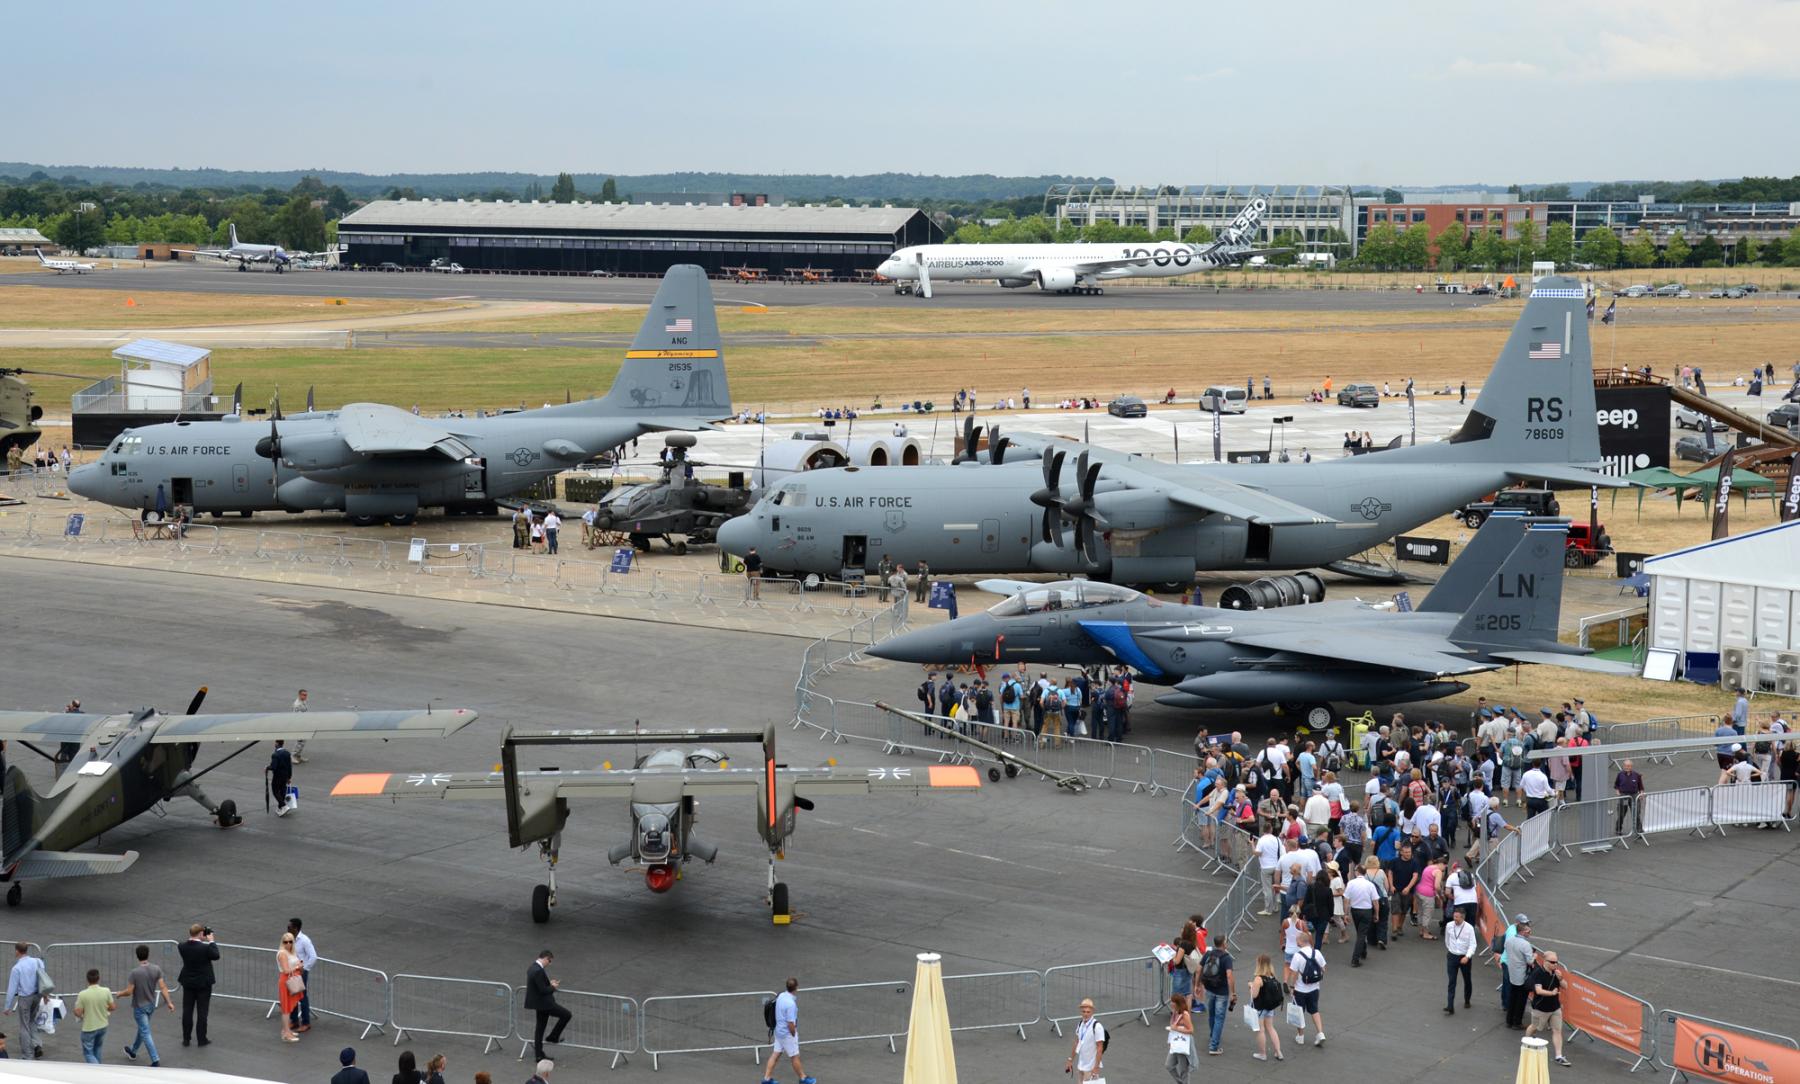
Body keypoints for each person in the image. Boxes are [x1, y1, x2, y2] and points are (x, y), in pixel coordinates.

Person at [118, 942, 174, 1066]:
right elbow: (163, 987)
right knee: (143, 1029)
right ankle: (133, 1051)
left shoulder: (135, 973)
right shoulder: (156, 969)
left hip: (140, 1006)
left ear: (137, 956)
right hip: (151, 1005)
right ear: (148, 955)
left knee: (145, 1032)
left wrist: (119, 994)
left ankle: (155, 1060)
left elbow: (129, 991)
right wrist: (169, 1002)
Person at [761, 976, 811, 1084]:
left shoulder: (781, 996)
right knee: (794, 1056)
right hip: (787, 1034)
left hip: (778, 1032)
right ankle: (803, 1078)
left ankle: (766, 1078)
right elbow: (790, 1023)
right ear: (796, 988)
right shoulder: (791, 1004)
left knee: (775, 1054)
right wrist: (793, 1034)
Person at [525, 950, 570, 1063]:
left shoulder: (532, 968)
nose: (549, 963)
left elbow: (539, 985)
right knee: (566, 1015)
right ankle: (553, 1037)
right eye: (549, 961)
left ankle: (539, 1055)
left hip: (539, 1004)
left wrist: (549, 983)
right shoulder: (538, 971)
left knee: (539, 1029)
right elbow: (543, 990)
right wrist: (553, 986)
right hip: (545, 1004)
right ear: (545, 958)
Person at [1527, 952, 1573, 1066]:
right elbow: (1538, 991)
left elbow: (1565, 986)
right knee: (1534, 1027)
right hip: (1541, 1008)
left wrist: (1561, 978)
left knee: (1557, 1030)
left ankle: (1559, 1056)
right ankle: (1526, 1042)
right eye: (1552, 962)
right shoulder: (1538, 973)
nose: (1555, 964)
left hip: (1555, 1007)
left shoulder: (1556, 973)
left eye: (1556, 962)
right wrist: (1551, 993)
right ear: (1545, 961)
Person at [1284, 929, 1327, 1046]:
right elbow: (1323, 969)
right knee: (1314, 1010)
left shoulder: (1297, 956)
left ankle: (1301, 1036)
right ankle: (1320, 1033)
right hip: (1314, 988)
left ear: (1300, 942)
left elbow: (1293, 973)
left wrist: (1292, 987)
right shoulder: (1317, 953)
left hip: (1300, 989)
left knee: (1299, 1012)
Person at [177, 924, 218, 1047]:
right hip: (203, 983)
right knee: (202, 1012)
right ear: (200, 934)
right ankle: (201, 1039)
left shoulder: (182, 946)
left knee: (187, 1010)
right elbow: (216, 955)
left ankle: (186, 1039)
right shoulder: (205, 948)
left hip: (188, 982)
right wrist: (211, 942)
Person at [7, 942, 48, 1060]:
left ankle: (27, 1054)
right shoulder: (37, 961)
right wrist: (45, 994)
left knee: (24, 1026)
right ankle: (37, 1045)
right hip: (37, 995)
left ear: (17, 951)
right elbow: (43, 978)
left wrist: (7, 1006)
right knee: (32, 1021)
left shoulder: (17, 968)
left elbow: (12, 988)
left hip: (25, 998)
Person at [1197, 933, 1236, 1054]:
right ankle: (1213, 1046)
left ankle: (1213, 1034)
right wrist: (1232, 993)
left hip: (1209, 988)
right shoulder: (1226, 958)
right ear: (1224, 944)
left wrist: (1197, 985)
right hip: (1222, 992)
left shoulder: (1208, 954)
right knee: (1219, 1018)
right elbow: (1229, 976)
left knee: (1212, 1015)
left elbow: (1199, 969)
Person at [1247, 954, 1285, 1062]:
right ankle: (1278, 1051)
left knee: (1261, 1031)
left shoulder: (1259, 979)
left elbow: (1254, 995)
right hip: (1270, 1007)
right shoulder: (1272, 976)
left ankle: (1262, 1053)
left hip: (1260, 1008)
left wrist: (1251, 986)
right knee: (1271, 1028)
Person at [73, 968, 115, 1064]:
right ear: (98, 978)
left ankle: (98, 1070)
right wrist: (103, 1008)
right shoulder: (106, 991)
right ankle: (97, 1068)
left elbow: (78, 1013)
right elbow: (113, 1007)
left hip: (89, 1027)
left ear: (87, 980)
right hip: (103, 1025)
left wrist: (75, 1011)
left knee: (88, 1053)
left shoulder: (82, 994)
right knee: (98, 1048)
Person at [1502, 917, 1535, 1030]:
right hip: (1521, 975)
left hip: (1512, 972)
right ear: (1522, 931)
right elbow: (1530, 961)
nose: (1530, 933)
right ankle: (1517, 1022)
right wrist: (1534, 956)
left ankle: (1509, 1020)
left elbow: (1506, 949)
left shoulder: (1509, 940)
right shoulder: (1525, 945)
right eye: (1528, 931)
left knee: (1512, 997)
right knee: (1521, 1000)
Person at [1443, 906, 1476, 1013]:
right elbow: (1447, 940)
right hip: (1452, 956)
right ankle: (1450, 1005)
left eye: (1457, 917)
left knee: (1467, 980)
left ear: (1463, 918)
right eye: (1454, 917)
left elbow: (1473, 944)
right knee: (1451, 981)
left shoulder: (1469, 928)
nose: (1455, 919)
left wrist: (1467, 956)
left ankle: (1467, 1000)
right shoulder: (1449, 926)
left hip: (1464, 957)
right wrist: (1450, 950)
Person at [1067, 997, 1107, 1081]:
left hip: (1091, 1068)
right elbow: (1077, 1042)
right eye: (1084, 1011)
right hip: (1081, 1065)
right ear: (1081, 1011)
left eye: (1088, 1012)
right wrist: (1070, 1060)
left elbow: (1100, 1048)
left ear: (1092, 1012)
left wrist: (1096, 1067)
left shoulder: (1097, 1026)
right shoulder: (1080, 1024)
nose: (1086, 1014)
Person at [288, 917, 316, 1034]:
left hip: (300, 972)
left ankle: (306, 1023)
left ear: (296, 928)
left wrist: (305, 968)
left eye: (289, 927)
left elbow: (313, 956)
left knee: (302, 997)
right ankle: (294, 1020)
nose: (287, 928)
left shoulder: (304, 940)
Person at [277, 933, 303, 1042]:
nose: (288, 944)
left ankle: (286, 1031)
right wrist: (298, 967)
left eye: (290, 941)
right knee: (286, 1009)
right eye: (285, 942)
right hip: (286, 981)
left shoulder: (290, 952)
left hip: (291, 980)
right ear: (282, 942)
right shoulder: (283, 953)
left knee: (288, 1008)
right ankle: (286, 1034)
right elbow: (286, 970)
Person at [1165, 991, 1195, 1083]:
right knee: (1169, 1065)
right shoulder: (1175, 1012)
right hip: (1175, 1043)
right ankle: (1180, 1082)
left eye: (1172, 1002)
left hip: (1183, 1044)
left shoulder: (1184, 1015)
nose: (1170, 1003)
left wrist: (1177, 1028)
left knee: (1183, 1070)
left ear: (1177, 1003)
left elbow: (1191, 1030)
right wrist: (1170, 1042)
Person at [1613, 759, 1646, 834]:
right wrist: (1618, 792)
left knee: (1636, 814)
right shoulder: (1620, 774)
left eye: (1629, 766)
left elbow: (1641, 787)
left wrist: (1641, 794)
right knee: (1621, 814)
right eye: (1626, 766)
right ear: (1623, 766)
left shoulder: (1637, 775)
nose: (1628, 767)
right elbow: (1616, 785)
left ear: (1632, 766)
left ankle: (1639, 830)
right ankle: (1618, 829)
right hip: (1623, 796)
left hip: (1634, 796)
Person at [268, 739, 294, 816]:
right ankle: (280, 808)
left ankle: (284, 806)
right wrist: (289, 777)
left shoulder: (275, 755)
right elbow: (290, 766)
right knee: (282, 790)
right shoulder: (287, 753)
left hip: (277, 776)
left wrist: (267, 767)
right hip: (285, 775)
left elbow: (273, 767)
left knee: (275, 791)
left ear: (276, 744)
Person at [291, 688, 309, 764]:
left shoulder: (303, 701)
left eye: (306, 695)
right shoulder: (297, 705)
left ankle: (298, 755)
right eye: (304, 695)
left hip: (304, 723)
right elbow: (296, 717)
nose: (305, 697)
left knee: (303, 741)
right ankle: (293, 755)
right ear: (299, 695)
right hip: (300, 724)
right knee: (300, 741)